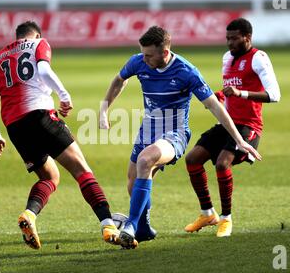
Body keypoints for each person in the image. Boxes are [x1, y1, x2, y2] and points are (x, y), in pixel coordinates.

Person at [99, 25, 261, 249]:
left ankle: (130, 225)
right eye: (143, 54)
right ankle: (144, 229)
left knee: (146, 160)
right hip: (148, 128)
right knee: (133, 181)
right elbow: (120, 79)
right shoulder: (138, 61)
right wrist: (104, 109)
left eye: (149, 55)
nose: (143, 59)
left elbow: (215, 106)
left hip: (174, 133)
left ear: (164, 53)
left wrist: (240, 140)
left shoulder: (186, 71)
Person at [0, 21, 121, 250]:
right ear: (37, 35)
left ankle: (29, 215)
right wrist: (63, 95)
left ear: (16, 36)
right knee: (82, 170)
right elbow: (45, 71)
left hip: (15, 127)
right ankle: (108, 225)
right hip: (40, 116)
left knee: (49, 177)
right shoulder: (39, 43)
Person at [184, 18, 281, 237]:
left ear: (247, 37)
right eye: (227, 38)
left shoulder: (259, 58)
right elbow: (230, 91)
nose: (229, 43)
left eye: (234, 38)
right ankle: (208, 213)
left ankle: (226, 219)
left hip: (249, 126)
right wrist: (219, 96)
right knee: (192, 159)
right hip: (226, 123)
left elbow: (275, 95)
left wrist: (242, 94)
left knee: (221, 163)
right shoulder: (227, 58)